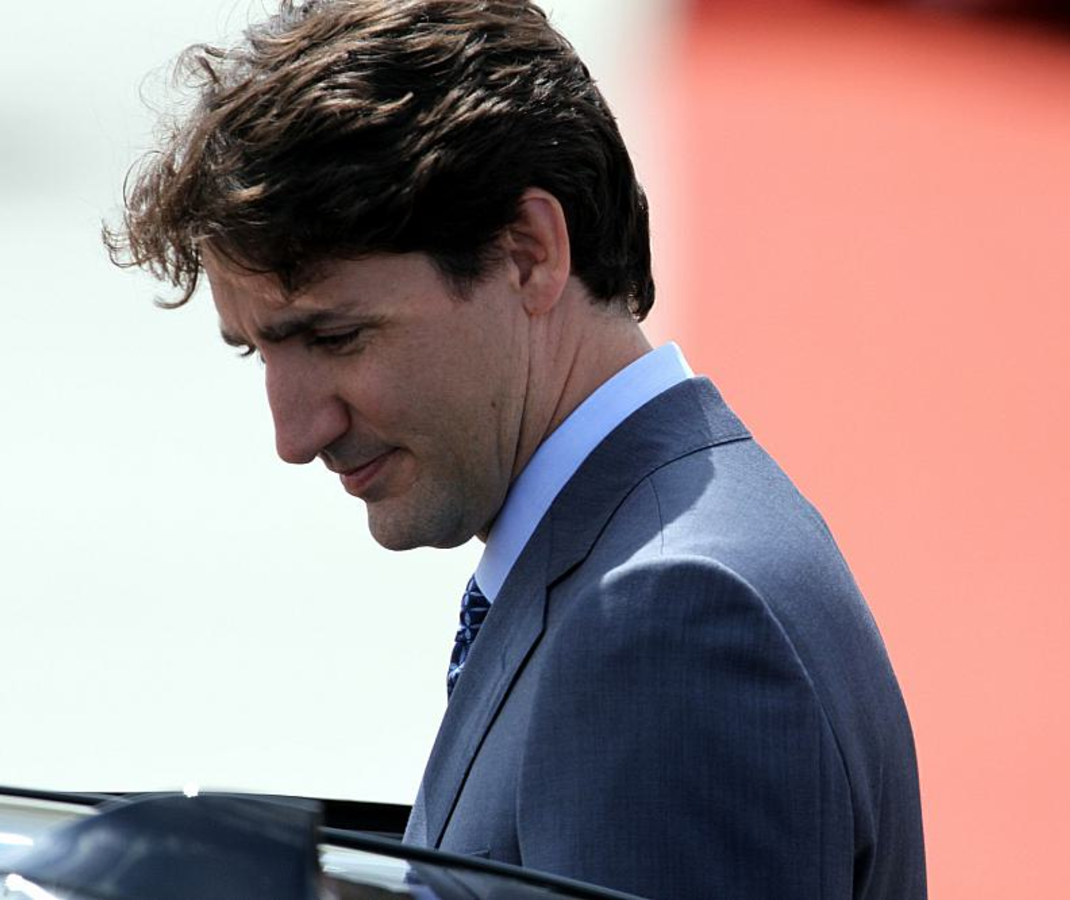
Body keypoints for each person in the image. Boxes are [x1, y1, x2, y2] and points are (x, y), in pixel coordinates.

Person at [105, 1, 926, 896]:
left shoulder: (663, 619)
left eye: (336, 337)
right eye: (257, 352)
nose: (296, 436)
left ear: (530, 253)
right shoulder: (657, 555)